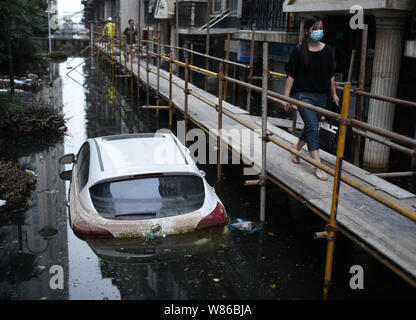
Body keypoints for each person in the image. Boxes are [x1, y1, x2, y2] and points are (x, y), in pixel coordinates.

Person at [283, 15, 339, 181]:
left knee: (311, 127)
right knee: (313, 128)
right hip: (303, 95)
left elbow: (331, 75)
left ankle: (295, 150)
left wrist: (334, 93)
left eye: (321, 28)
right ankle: (318, 166)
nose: (319, 31)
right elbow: (291, 76)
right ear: (307, 31)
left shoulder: (328, 50)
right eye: (315, 28)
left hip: (321, 96)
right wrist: (285, 97)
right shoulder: (299, 51)